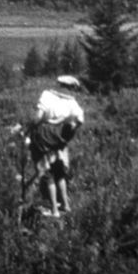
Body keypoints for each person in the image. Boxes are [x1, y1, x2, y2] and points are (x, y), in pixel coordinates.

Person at [28, 74, 84, 218]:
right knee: (59, 173)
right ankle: (65, 205)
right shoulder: (72, 103)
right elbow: (79, 120)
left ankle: (54, 210)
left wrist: (30, 128)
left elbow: (38, 117)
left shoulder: (47, 95)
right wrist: (67, 131)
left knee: (47, 173)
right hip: (60, 137)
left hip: (44, 135)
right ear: (72, 88)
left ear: (59, 85)